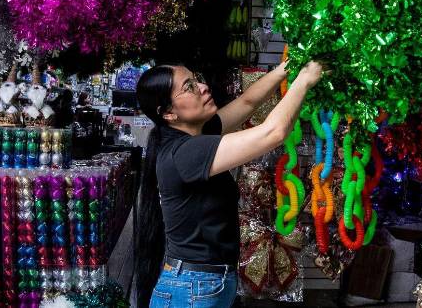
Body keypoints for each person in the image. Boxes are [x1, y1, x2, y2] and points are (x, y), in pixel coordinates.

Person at [133, 60, 323, 308]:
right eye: (189, 86)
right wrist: (305, 79)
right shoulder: (185, 153)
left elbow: (248, 103)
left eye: (196, 78)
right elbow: (273, 133)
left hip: (202, 284)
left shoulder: (196, 133)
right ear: (168, 113)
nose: (202, 86)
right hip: (192, 289)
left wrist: (286, 68)